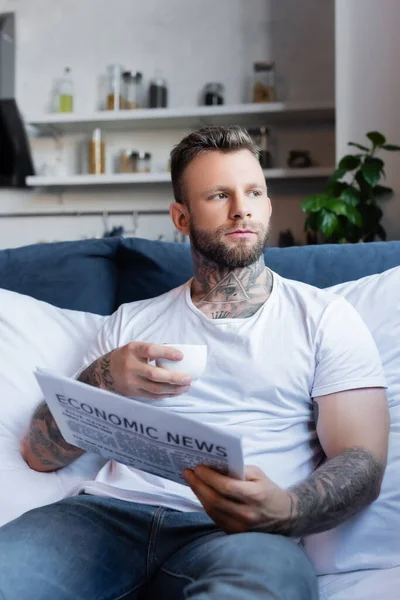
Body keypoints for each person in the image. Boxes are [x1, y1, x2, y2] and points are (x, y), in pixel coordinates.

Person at [0, 126, 389, 600]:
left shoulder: (325, 318)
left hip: (241, 535)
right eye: (219, 195)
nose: (241, 207)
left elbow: (363, 460)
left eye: (253, 192)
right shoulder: (131, 323)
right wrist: (103, 377)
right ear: (181, 218)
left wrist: (287, 508)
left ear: (267, 205)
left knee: (265, 586)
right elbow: (39, 456)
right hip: (106, 519)